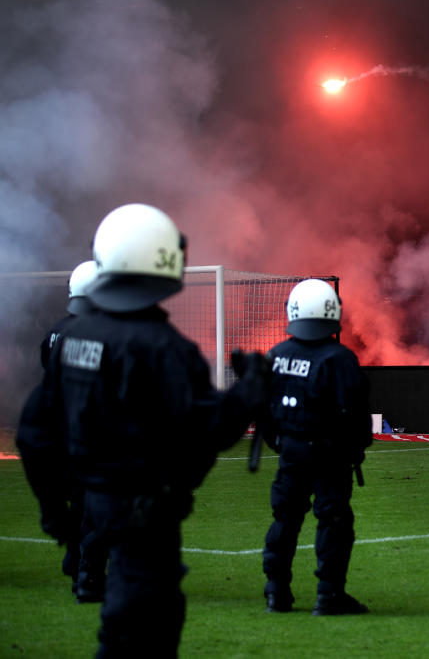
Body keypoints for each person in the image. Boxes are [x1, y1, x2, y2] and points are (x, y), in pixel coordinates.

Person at [17, 203, 270, 658]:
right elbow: (207, 430)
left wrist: (54, 512)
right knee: (143, 628)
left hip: (93, 499)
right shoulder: (166, 349)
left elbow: (34, 435)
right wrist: (249, 389)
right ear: (165, 260)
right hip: (145, 514)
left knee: (120, 620)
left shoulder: (72, 339)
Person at [259, 278, 372, 615]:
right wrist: (355, 450)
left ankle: (276, 593)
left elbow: (263, 409)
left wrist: (280, 442)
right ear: (332, 311)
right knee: (334, 521)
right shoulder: (340, 359)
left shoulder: (276, 356)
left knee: (285, 519)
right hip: (330, 455)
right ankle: (329, 595)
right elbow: (357, 413)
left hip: (291, 452)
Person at [40, 260, 110, 603]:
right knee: (96, 506)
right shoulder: (100, 334)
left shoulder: (55, 332)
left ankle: (76, 560)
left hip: (61, 433)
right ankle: (87, 575)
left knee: (79, 501)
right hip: (94, 434)